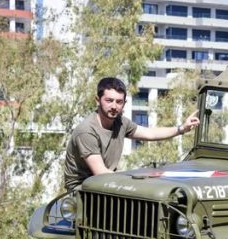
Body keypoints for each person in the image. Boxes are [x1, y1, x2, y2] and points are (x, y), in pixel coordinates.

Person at [64, 77, 200, 190]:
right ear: (97, 100)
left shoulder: (121, 123)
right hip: (80, 190)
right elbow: (100, 173)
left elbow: (149, 134)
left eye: (119, 102)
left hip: (103, 183)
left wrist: (181, 128)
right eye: (109, 100)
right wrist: (136, 180)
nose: (114, 106)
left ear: (124, 103)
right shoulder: (87, 131)